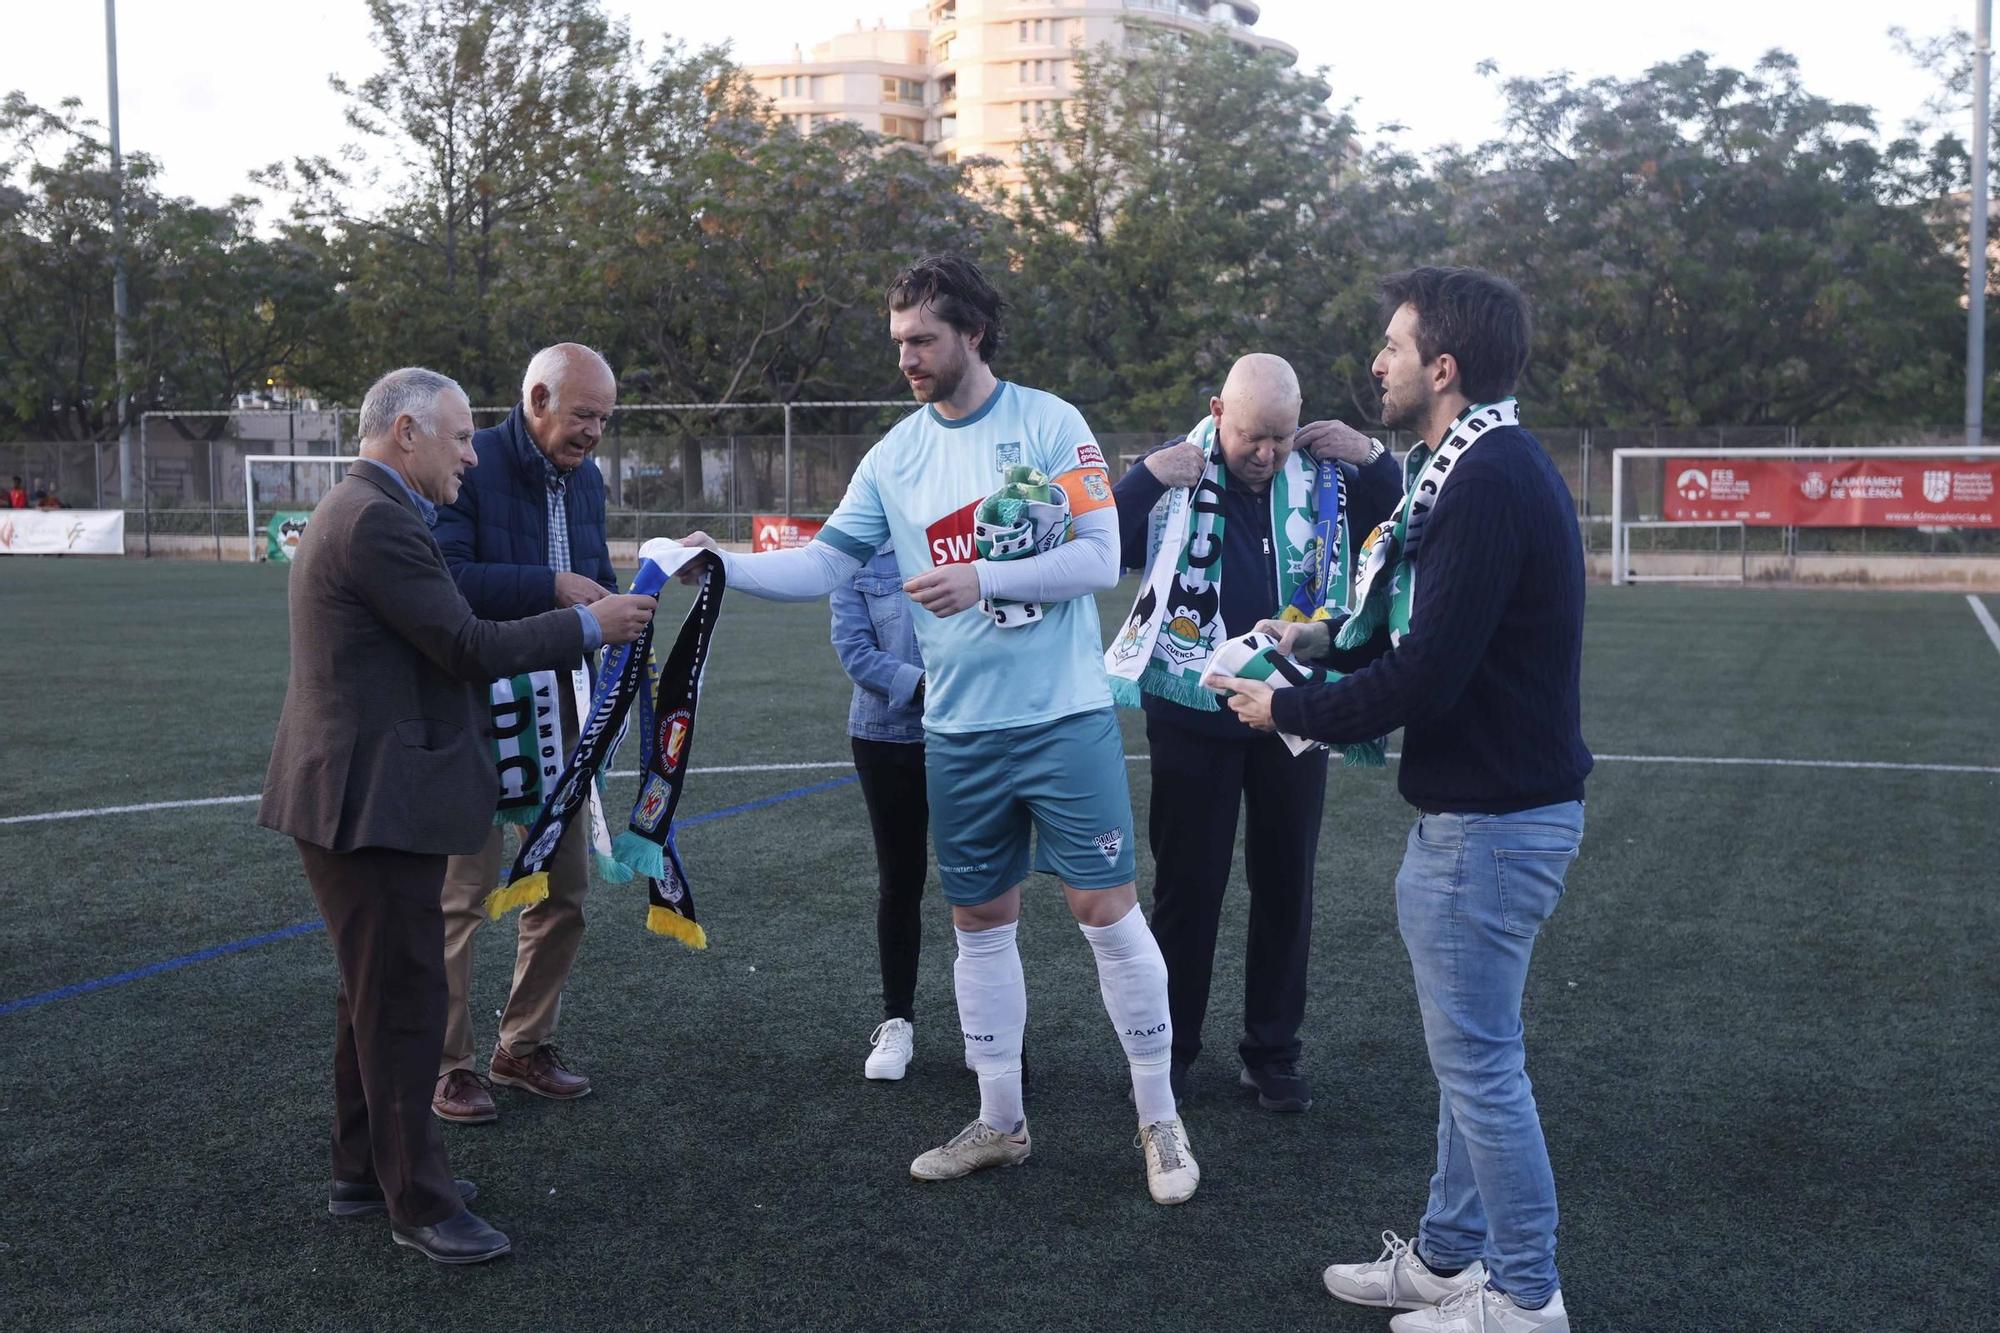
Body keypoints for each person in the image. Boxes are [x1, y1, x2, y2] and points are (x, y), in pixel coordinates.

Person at [672, 253, 1200, 1205]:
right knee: (978, 922)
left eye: (922, 340)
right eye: (898, 342)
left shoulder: (1049, 423)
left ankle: (1159, 1117)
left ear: (973, 334)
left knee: (1106, 914)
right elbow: (825, 565)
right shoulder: (894, 456)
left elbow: (1097, 557)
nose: (907, 358)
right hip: (957, 732)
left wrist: (982, 578)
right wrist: (723, 565)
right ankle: (1002, 1121)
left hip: (1063, 717)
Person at [1216, 267, 1592, 1333]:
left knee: (1479, 1065)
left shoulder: (1485, 480)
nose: (1372, 364)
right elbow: (1402, 618)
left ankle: (1524, 1294)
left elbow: (1429, 671)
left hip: (1492, 827)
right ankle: (1443, 1258)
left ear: (1441, 367)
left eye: (1388, 347)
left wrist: (1285, 710)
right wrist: (1316, 640)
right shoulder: (1466, 466)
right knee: (1466, 1057)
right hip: (1485, 818)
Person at [257, 366, 656, 1265]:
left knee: (374, 993)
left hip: (362, 789)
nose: (474, 457)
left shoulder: (365, 509)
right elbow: (466, 644)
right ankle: (421, 1202)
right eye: (461, 438)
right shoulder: (379, 520)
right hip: (371, 797)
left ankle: (362, 1171)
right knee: (402, 1002)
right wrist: (596, 627)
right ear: (407, 432)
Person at [1111, 353, 1402, 1113]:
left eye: (1280, 436)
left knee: (1285, 886)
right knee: (1187, 889)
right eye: (1251, 438)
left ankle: (1272, 1052)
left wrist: (1372, 458)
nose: (1267, 454)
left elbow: (1400, 529)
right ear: (1216, 412)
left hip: (1292, 715)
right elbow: (1104, 546)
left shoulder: (1326, 477)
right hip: (1191, 713)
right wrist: (1145, 476)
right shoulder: (1176, 474)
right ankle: (1170, 1051)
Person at [430, 343, 622, 1124]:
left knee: (564, 886)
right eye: (583, 416)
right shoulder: (466, 464)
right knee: (461, 896)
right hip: (477, 706)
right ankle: (448, 1066)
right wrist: (552, 589)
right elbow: (443, 576)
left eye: (605, 419)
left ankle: (523, 1045)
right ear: (536, 399)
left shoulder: (590, 480)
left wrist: (620, 613)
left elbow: (595, 573)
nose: (594, 434)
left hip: (565, 708)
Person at [829, 544, 929, 1080]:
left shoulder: (962, 531)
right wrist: (924, 686)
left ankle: (997, 1035)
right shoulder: (857, 557)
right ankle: (897, 1022)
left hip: (967, 733)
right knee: (900, 881)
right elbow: (854, 650)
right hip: (885, 736)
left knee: (982, 887)